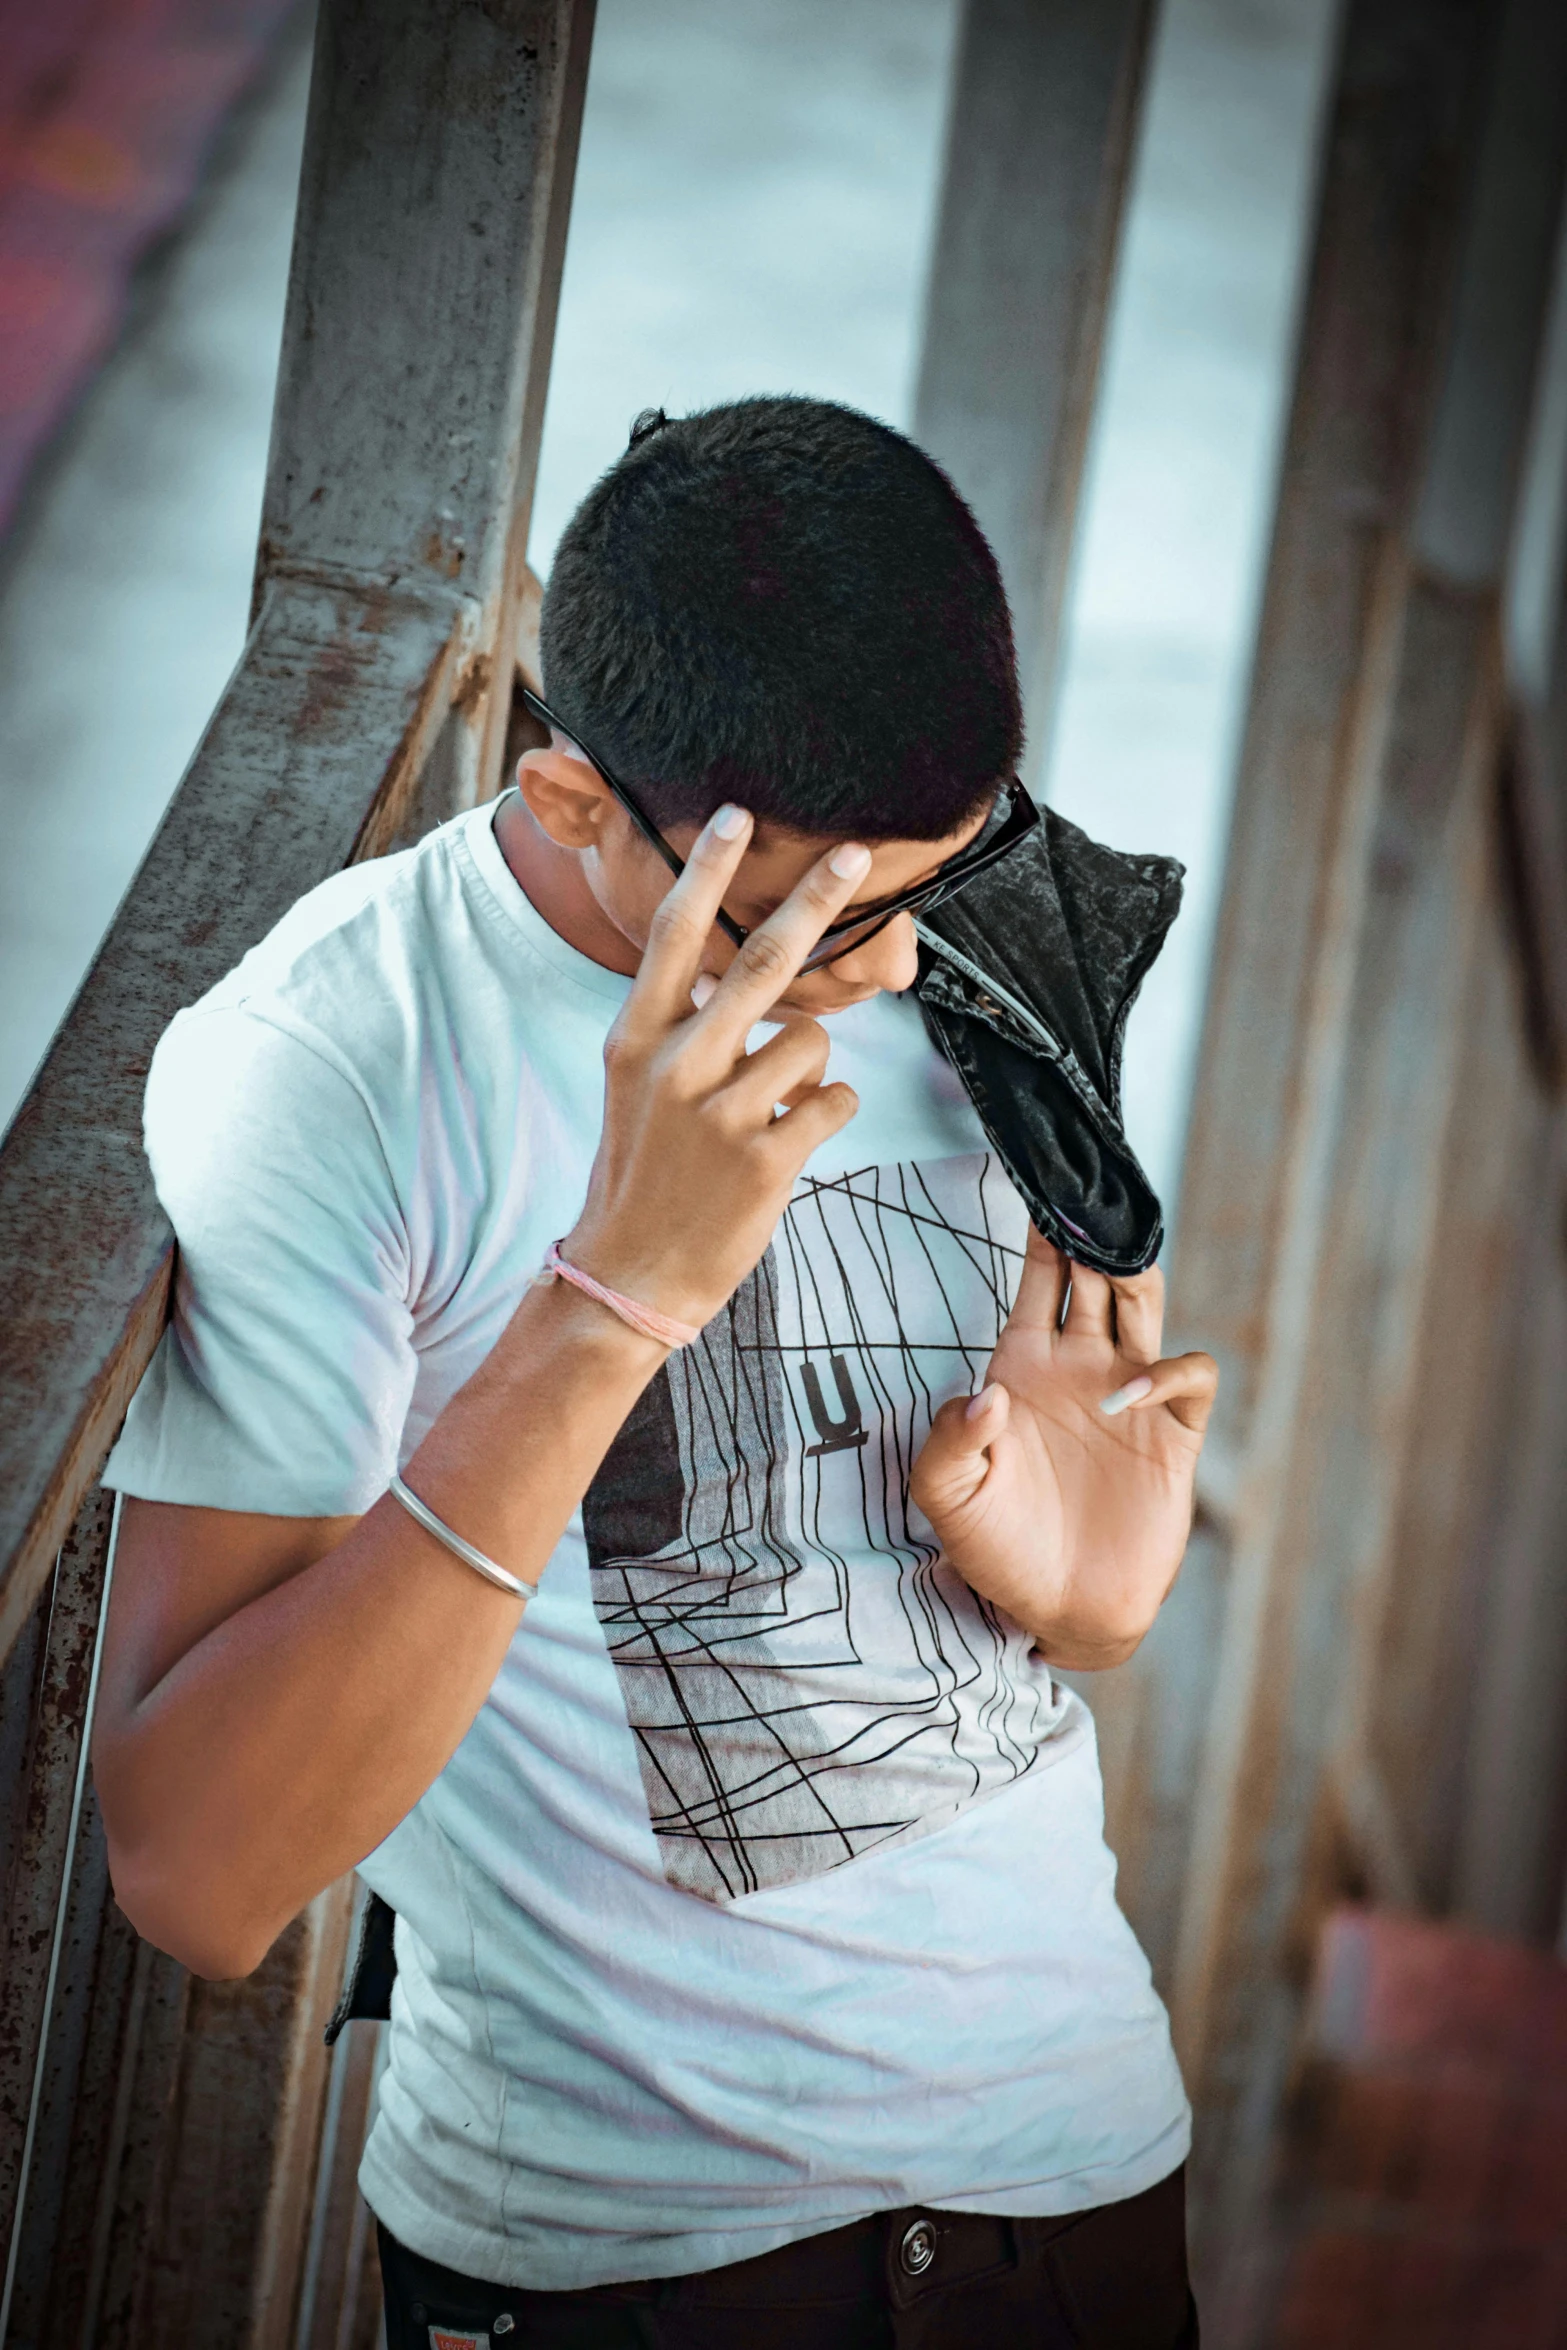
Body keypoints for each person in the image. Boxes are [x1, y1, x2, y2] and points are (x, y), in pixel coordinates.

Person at [94, 397, 1216, 2349]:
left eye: (925, 886)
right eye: (809, 913)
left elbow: (1064, 1544)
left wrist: (1091, 1584)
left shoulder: (989, 933)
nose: (887, 976)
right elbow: (198, 1866)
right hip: (646, 2260)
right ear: (569, 805)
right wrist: (612, 1294)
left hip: (1089, 2181)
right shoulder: (343, 1056)